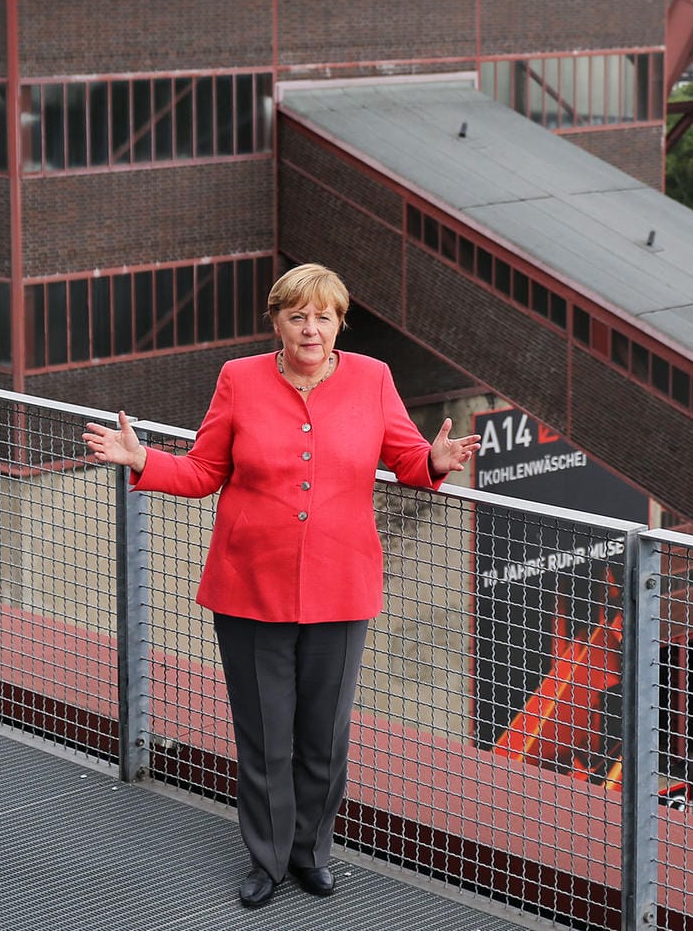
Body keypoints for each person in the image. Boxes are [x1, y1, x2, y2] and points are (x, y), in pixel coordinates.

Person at [83, 263, 478, 911]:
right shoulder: (239, 378)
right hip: (249, 588)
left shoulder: (373, 378)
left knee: (324, 734)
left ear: (339, 321)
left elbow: (408, 458)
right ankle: (266, 859)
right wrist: (144, 459)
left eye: (323, 315)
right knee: (265, 736)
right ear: (277, 321)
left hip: (341, 587)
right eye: (297, 315)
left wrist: (435, 460)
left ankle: (310, 853)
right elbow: (205, 470)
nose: (311, 328)